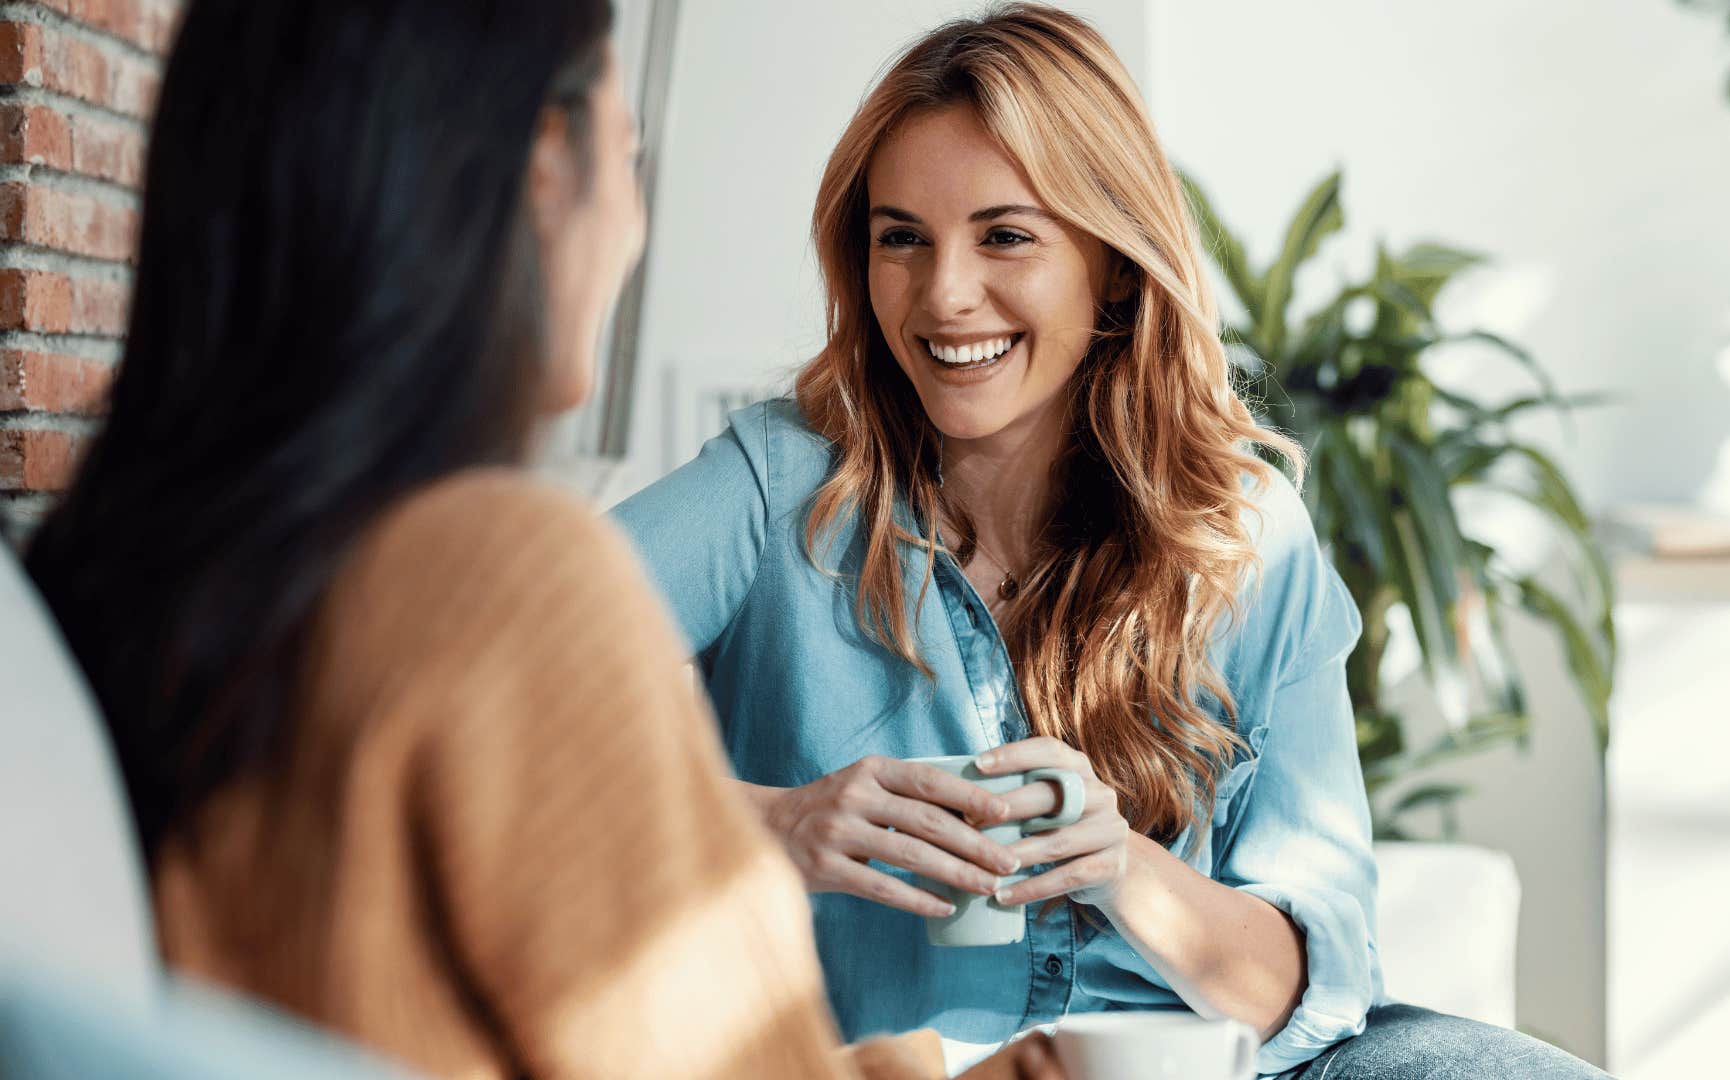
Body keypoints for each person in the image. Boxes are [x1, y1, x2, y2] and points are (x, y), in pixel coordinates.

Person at [24, 2, 1060, 1078]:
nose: (635, 218)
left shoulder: (144, 576)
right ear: (544, 166)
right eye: (628, 151)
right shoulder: (502, 579)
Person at [611, 5, 1611, 1079]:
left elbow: (1306, 996)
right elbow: (475, 692)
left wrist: (1119, 866)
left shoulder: (1243, 535)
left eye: (1005, 235)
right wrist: (773, 821)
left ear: (1115, 265)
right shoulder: (784, 485)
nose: (944, 294)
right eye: (902, 237)